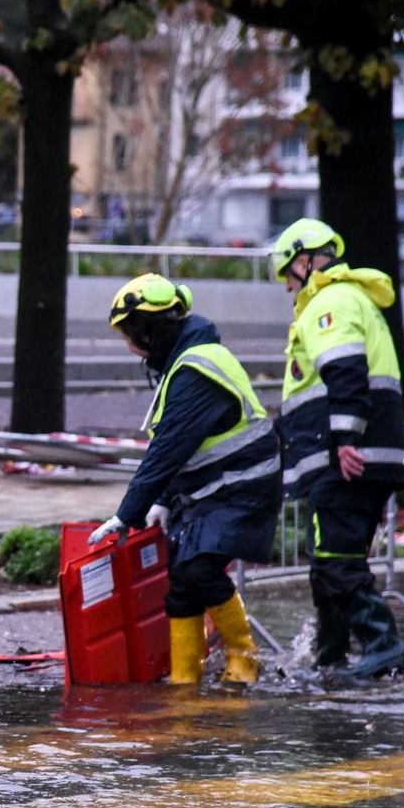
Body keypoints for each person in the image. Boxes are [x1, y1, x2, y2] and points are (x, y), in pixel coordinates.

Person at [86, 274, 280, 684]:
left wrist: (129, 513)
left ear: (150, 330)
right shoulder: (183, 361)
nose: (128, 345)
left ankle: (245, 657)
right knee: (182, 583)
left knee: (198, 572)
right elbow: (183, 446)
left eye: (129, 333)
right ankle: (184, 679)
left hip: (241, 487)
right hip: (215, 488)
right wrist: (163, 500)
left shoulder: (196, 368)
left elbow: (169, 447)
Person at [268, 217, 404, 679]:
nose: (290, 288)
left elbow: (346, 370)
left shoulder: (328, 303)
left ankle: (383, 645)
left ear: (307, 261)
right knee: (330, 559)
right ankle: (330, 655)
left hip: (346, 457)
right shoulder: (353, 300)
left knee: (334, 559)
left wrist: (347, 439)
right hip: (366, 454)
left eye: (290, 276)